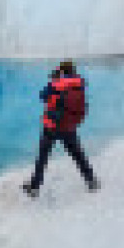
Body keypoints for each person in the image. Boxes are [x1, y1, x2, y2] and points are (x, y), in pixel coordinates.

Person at [23, 60, 100, 198]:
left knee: (43, 157)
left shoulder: (55, 84)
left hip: (52, 125)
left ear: (62, 71)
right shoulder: (80, 83)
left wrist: (54, 79)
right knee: (78, 155)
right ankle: (91, 181)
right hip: (69, 126)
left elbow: (43, 96)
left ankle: (34, 187)